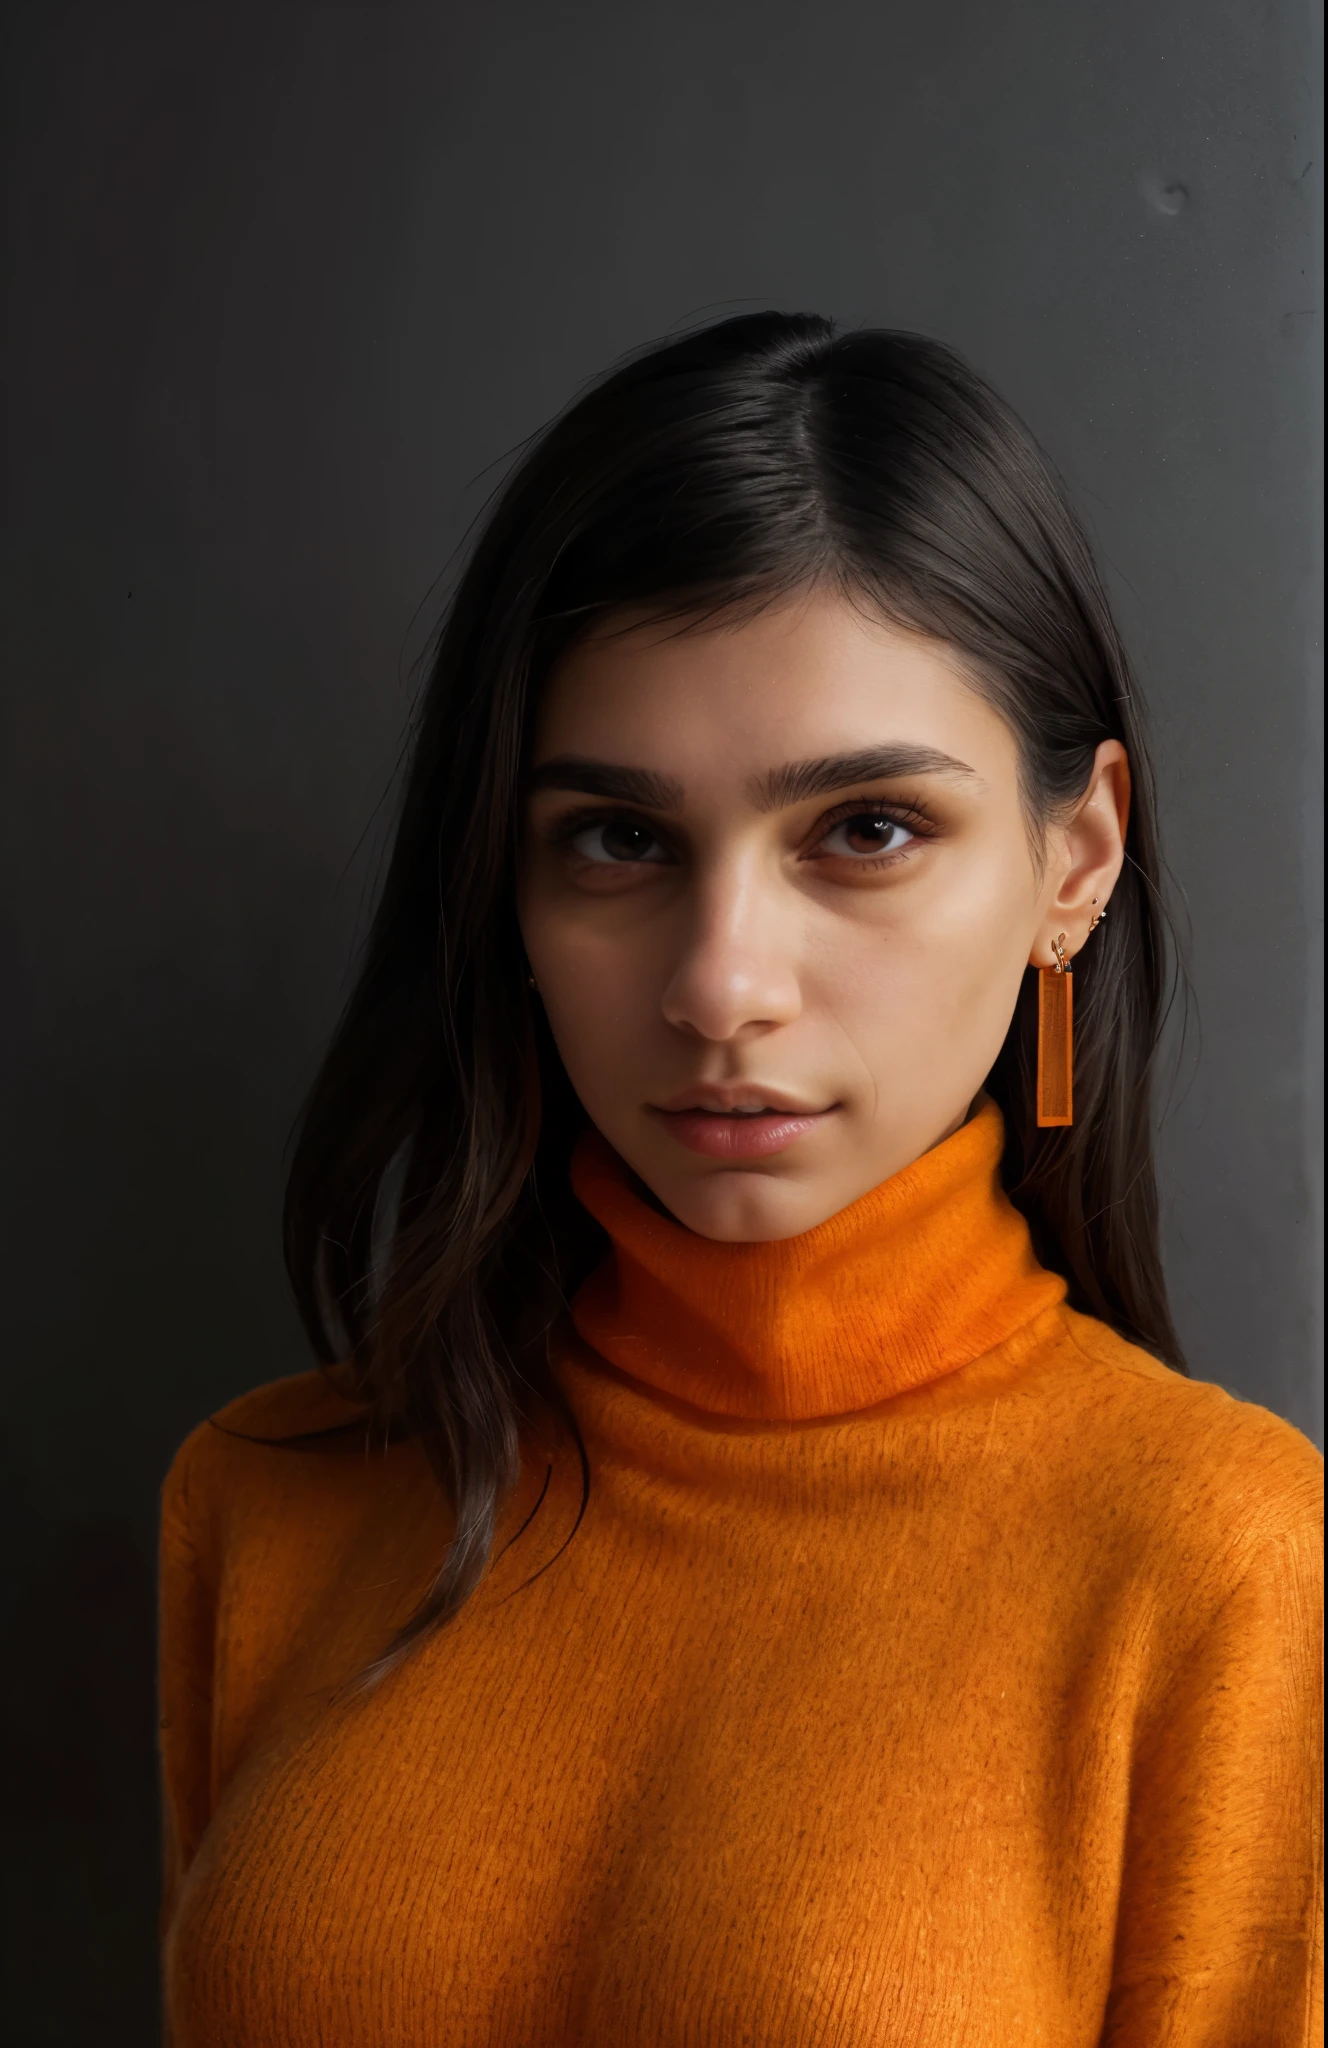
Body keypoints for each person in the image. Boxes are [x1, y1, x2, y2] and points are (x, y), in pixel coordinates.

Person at [158, 313, 1322, 2045]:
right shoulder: (270, 1504)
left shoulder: (1223, 1574)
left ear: (1073, 860)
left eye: (864, 830)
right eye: (617, 839)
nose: (719, 983)